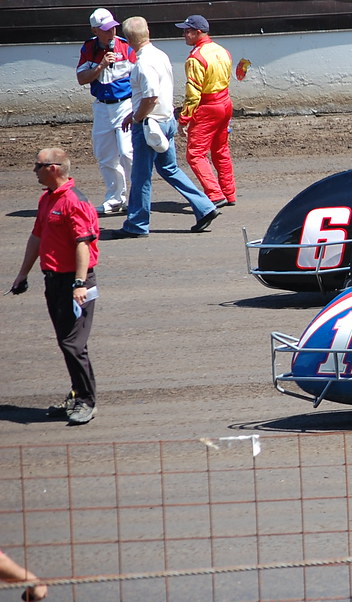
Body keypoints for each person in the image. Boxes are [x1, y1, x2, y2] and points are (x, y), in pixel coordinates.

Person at [8, 148, 100, 425]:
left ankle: (86, 401)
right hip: (54, 280)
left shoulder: (74, 202)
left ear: (54, 168)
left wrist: (80, 283)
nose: (33, 170)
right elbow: (37, 237)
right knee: (65, 342)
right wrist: (22, 274)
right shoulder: (47, 199)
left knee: (73, 343)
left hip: (75, 282)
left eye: (38, 166)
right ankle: (76, 394)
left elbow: (83, 244)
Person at [110, 16, 219, 239]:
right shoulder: (159, 54)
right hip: (166, 121)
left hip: (151, 124)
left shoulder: (143, 63)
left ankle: (137, 224)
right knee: (170, 169)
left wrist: (137, 117)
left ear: (129, 39)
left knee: (141, 177)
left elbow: (150, 97)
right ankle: (205, 206)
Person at [76, 7, 136, 215]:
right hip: (101, 107)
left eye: (113, 28)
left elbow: (140, 75)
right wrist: (101, 66)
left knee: (128, 152)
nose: (112, 32)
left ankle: (135, 198)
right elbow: (81, 79)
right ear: (95, 30)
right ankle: (115, 199)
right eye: (106, 29)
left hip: (125, 105)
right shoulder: (88, 48)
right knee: (105, 155)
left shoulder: (126, 46)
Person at [175, 15, 236, 208]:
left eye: (188, 31)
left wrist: (183, 119)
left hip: (208, 107)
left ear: (198, 32)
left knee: (195, 154)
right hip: (225, 103)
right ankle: (229, 193)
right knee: (220, 150)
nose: (184, 34)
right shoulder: (222, 50)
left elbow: (193, 94)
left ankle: (215, 194)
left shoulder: (195, 58)